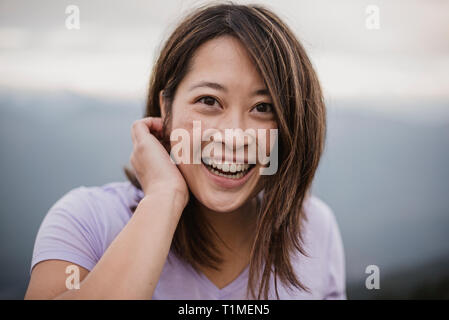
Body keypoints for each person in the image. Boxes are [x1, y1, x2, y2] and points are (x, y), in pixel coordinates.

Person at [25, 2, 346, 300]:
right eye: (209, 101)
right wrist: (164, 196)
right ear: (166, 109)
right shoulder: (88, 221)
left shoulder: (314, 228)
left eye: (263, 107)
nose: (234, 137)